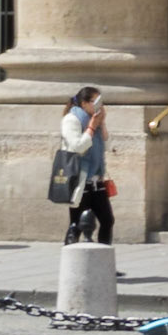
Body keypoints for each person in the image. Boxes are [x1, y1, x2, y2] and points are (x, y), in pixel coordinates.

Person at [60, 86, 113, 246]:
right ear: (84, 103)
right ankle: (72, 262)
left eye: (100, 102)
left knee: (107, 220)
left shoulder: (95, 121)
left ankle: (104, 262)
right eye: (95, 102)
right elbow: (77, 147)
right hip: (80, 180)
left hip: (97, 180)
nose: (99, 106)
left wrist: (101, 124)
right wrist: (91, 127)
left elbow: (108, 144)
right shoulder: (72, 119)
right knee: (77, 224)